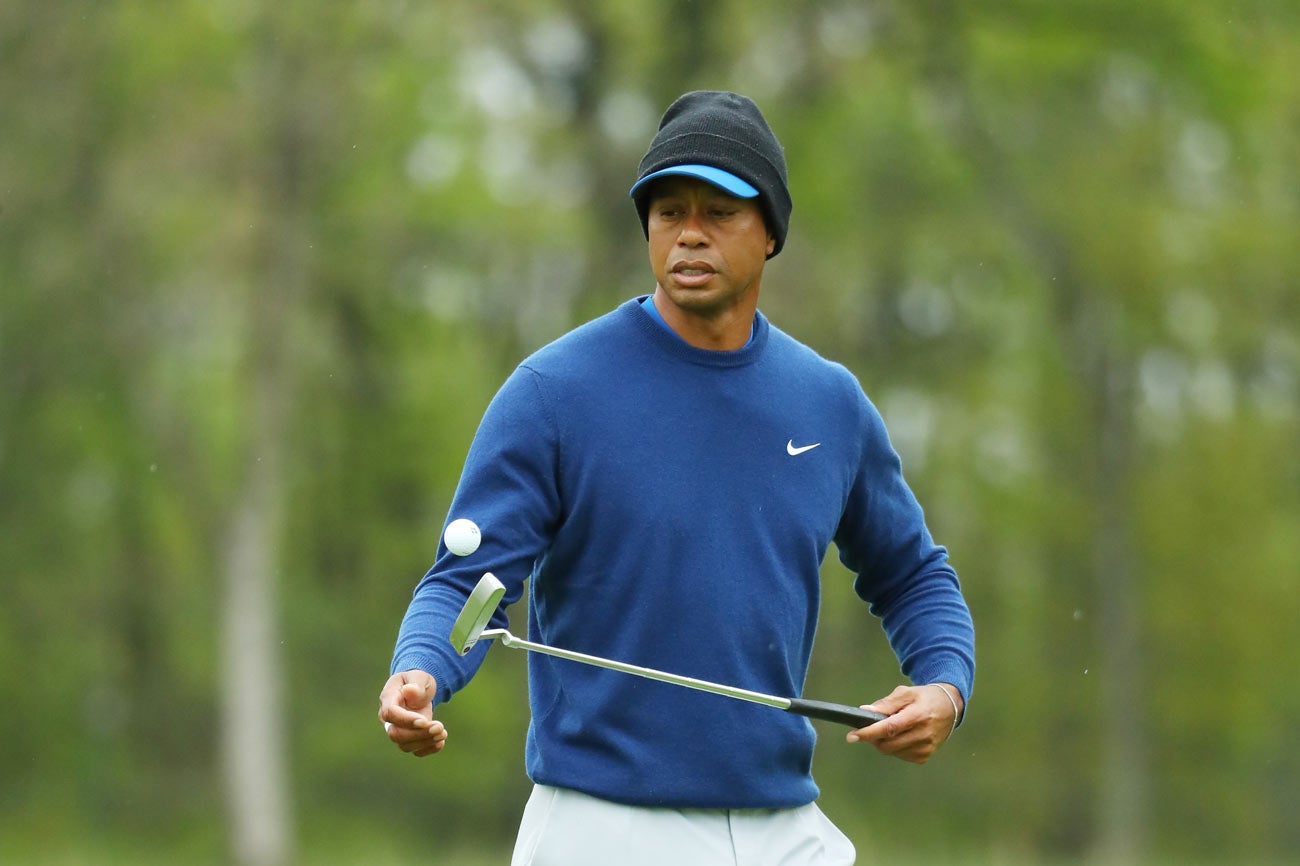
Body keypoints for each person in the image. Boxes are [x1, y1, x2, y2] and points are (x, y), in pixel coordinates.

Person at [378, 90, 975, 866]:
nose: (690, 233)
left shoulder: (829, 402)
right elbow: (469, 583)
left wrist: (944, 687)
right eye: (668, 212)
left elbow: (913, 574)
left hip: (782, 824)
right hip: (601, 827)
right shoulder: (554, 393)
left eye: (719, 212)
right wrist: (419, 671)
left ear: (770, 232)